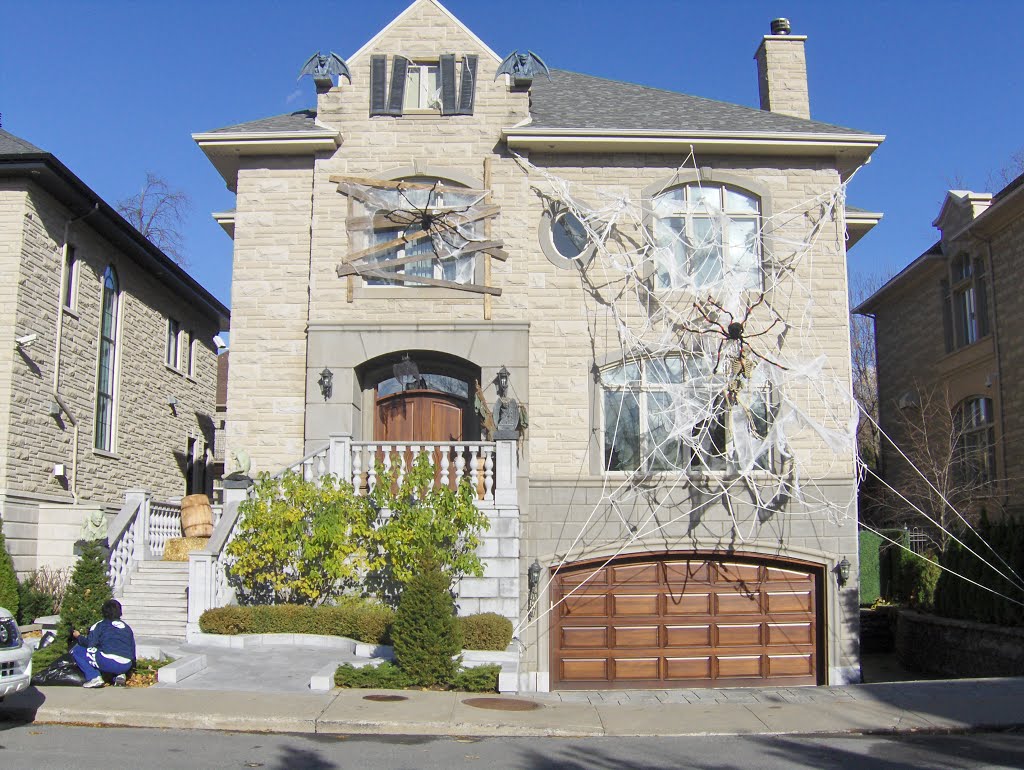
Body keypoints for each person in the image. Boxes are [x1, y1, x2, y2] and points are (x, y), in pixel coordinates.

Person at [71, 599, 136, 688]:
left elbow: (89, 643)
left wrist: (78, 637)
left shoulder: (101, 625)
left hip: (109, 662)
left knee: (78, 650)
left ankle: (94, 677)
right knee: (113, 652)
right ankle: (120, 675)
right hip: (126, 664)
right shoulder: (126, 627)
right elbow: (132, 649)